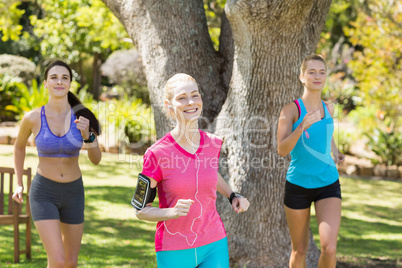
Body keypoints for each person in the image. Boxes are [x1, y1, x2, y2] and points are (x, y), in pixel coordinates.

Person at [135, 73, 250, 268]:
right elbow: (140, 211)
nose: (190, 102)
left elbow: (210, 173)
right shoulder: (156, 154)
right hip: (174, 249)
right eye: (181, 98)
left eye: (195, 95)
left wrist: (232, 195)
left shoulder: (212, 143)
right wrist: (170, 212)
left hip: (214, 243)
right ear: (168, 105)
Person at [12, 60, 102, 268]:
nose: (59, 82)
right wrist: (19, 183)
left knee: (70, 262)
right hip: (44, 192)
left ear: (70, 83)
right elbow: (18, 147)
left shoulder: (82, 117)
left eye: (64, 78)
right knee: (58, 260)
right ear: (45, 83)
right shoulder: (33, 118)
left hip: (73, 192)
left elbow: (96, 159)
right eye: (54, 77)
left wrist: (87, 136)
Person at [277, 54, 345, 268]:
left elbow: (326, 134)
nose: (317, 76)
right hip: (298, 185)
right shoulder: (290, 110)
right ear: (302, 77)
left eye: (322, 72)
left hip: (328, 183)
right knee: (299, 250)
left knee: (330, 248)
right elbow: (282, 149)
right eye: (312, 72)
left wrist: (336, 151)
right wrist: (300, 127)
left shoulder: (329, 108)